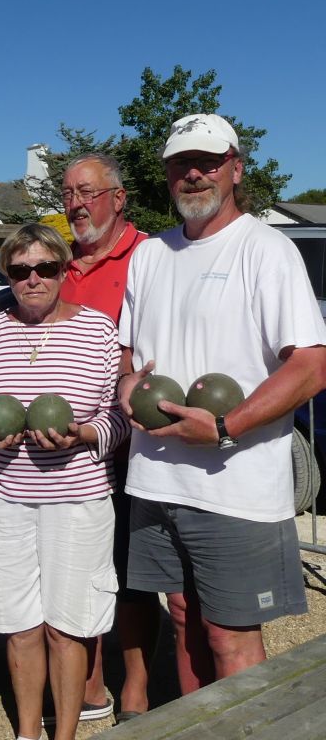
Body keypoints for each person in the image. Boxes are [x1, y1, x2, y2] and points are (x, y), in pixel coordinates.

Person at [118, 113, 326, 695]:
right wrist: (125, 386)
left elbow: (311, 365)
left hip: (235, 487)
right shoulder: (151, 254)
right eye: (182, 164)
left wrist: (228, 427)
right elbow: (127, 355)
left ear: (235, 168)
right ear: (166, 174)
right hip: (157, 481)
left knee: (230, 637)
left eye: (208, 162)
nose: (194, 175)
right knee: (183, 617)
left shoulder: (266, 249)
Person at [0, 223, 129, 740]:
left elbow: (118, 417)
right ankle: (29, 731)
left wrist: (87, 433)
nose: (33, 279)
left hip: (78, 501)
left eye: (45, 268)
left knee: (67, 627)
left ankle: (64, 734)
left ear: (62, 270)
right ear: (7, 274)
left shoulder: (98, 330)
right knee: (20, 627)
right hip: (5, 500)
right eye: (21, 270)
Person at [59, 152, 156, 726]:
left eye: (89, 192)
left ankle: (137, 686)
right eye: (69, 193)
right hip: (67, 453)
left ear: (118, 199)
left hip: (131, 448)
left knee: (133, 575)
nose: (76, 203)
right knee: (83, 571)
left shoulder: (149, 256)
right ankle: (91, 684)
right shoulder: (55, 265)